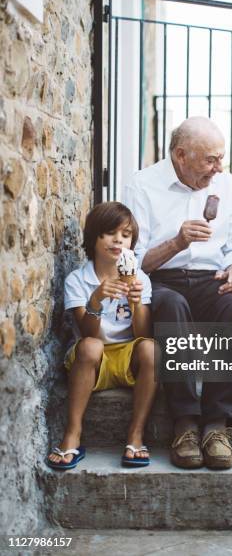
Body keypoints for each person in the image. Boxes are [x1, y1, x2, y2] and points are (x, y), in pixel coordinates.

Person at [124, 116, 232, 470]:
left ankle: (217, 425)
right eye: (210, 159)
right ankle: (184, 423)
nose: (218, 167)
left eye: (220, 158)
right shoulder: (143, 185)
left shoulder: (224, 185)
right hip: (162, 279)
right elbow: (133, 260)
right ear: (180, 155)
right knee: (171, 306)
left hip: (212, 276)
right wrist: (177, 242)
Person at [47, 201, 158, 470]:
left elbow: (142, 334)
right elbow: (87, 333)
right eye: (110, 232)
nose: (118, 240)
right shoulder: (78, 279)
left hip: (126, 356)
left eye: (126, 234)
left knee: (151, 348)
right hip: (92, 361)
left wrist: (136, 301)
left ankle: (136, 434)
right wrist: (95, 300)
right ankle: (72, 434)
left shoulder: (140, 277)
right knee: (91, 346)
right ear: (93, 237)